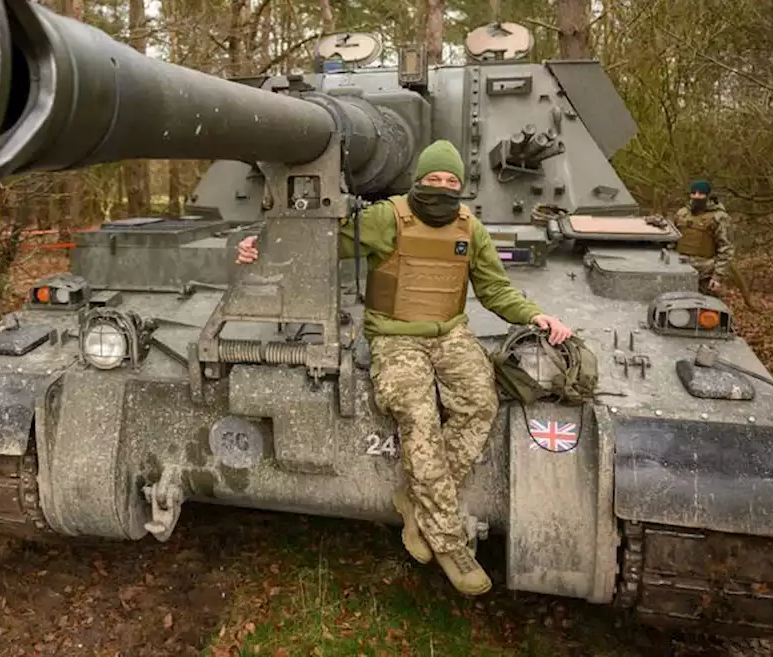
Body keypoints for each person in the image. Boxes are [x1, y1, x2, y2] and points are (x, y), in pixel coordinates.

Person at [234, 139, 573, 597]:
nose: (442, 188)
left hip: (450, 333)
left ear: (462, 187)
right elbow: (320, 242)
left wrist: (535, 315)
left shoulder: (470, 229)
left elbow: (494, 291)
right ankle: (448, 540)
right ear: (418, 181)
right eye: (433, 180)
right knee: (418, 415)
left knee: (479, 404)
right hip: (394, 335)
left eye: (451, 182)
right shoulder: (386, 218)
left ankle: (415, 499)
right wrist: (260, 244)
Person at [670, 180, 735, 296]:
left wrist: (717, 277)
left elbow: (726, 249)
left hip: (706, 275)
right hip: (679, 270)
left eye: (700, 194)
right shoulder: (682, 214)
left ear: (708, 195)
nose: (696, 196)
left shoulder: (719, 217)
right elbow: (671, 242)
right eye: (694, 193)